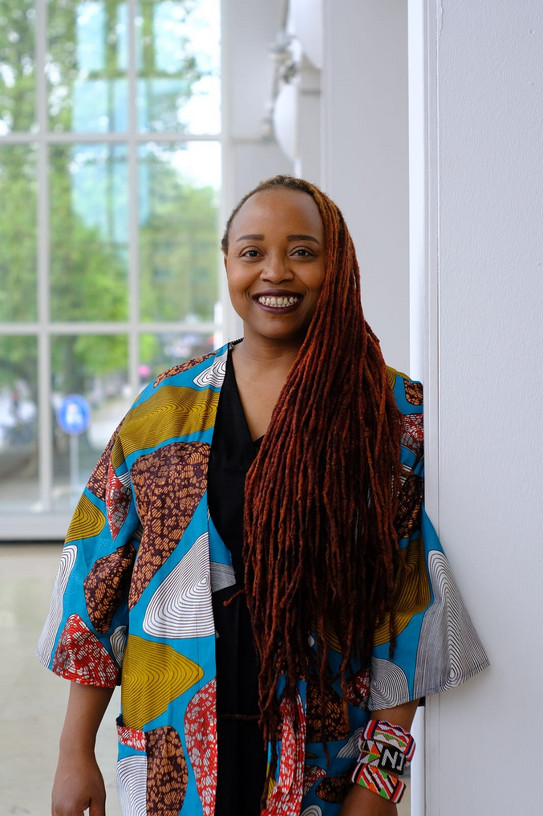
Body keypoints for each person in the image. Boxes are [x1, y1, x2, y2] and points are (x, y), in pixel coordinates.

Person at [38, 175, 489, 816]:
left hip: (322, 764)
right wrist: (73, 752)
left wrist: (381, 780)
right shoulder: (163, 410)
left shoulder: (389, 414)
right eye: (252, 252)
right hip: (172, 752)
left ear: (337, 264)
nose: (275, 271)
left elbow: (407, 605)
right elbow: (96, 586)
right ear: (227, 262)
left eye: (302, 251)